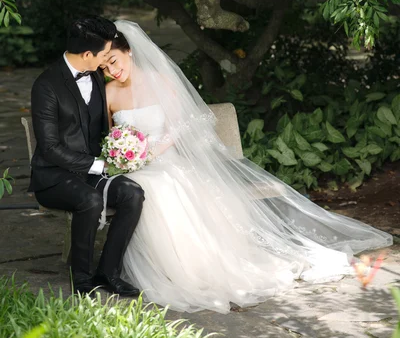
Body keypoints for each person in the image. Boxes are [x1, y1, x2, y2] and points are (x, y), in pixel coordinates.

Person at [99, 20, 392, 314]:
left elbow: (177, 128)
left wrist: (148, 152)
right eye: (104, 68)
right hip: (136, 169)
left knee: (161, 186)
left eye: (113, 61)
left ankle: (193, 267)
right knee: (146, 187)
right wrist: (125, 156)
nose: (111, 71)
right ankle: (168, 266)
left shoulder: (160, 80)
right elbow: (113, 138)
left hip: (166, 160)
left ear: (130, 51)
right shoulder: (109, 94)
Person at [29, 16, 145, 296]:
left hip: (94, 171)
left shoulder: (94, 75)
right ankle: (81, 278)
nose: (107, 60)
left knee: (133, 194)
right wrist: (97, 164)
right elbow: (50, 148)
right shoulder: (46, 86)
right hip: (53, 178)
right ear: (88, 55)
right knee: (90, 200)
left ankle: (108, 272)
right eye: (105, 54)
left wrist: (122, 149)